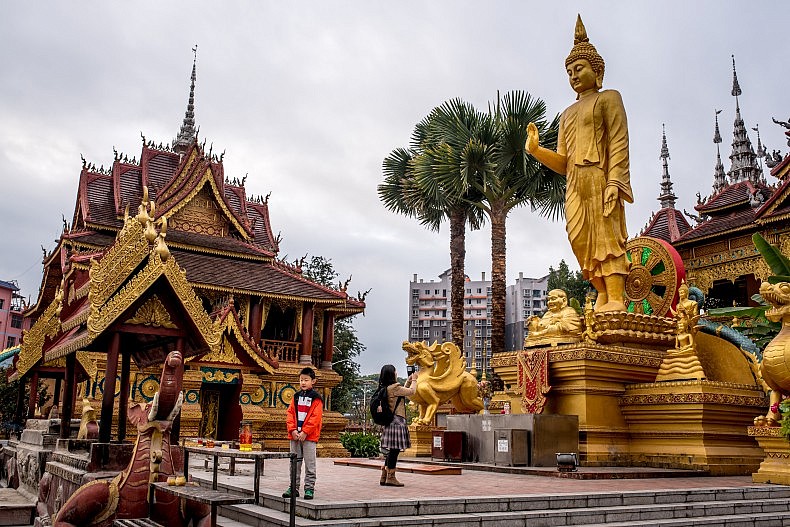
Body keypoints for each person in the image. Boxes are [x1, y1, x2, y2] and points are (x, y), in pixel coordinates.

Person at [526, 15, 632, 312]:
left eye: (579, 68)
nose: (573, 75)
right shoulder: (566, 114)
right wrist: (536, 150)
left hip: (599, 175)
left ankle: (615, 297)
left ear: (597, 71)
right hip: (575, 182)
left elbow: (619, 142)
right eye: (569, 71)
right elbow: (563, 162)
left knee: (606, 234)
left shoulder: (609, 98)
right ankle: (599, 290)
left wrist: (615, 181)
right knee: (580, 238)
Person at [282, 367, 323, 500]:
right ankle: (293, 487)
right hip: (295, 435)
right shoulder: (295, 397)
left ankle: (309, 488)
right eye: (301, 380)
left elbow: (315, 418)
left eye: (306, 380)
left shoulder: (316, 399)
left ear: (313, 381)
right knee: (294, 461)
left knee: (310, 463)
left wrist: (305, 431)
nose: (303, 383)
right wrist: (292, 429)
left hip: (309, 436)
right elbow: (290, 414)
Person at [377, 364, 417, 487]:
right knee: (394, 450)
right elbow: (412, 392)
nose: (396, 373)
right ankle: (391, 477)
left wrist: (408, 381)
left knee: (391, 451)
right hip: (397, 422)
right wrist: (415, 380)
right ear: (392, 374)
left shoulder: (386, 387)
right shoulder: (394, 387)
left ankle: (384, 475)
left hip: (390, 422)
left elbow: (402, 393)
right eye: (395, 371)